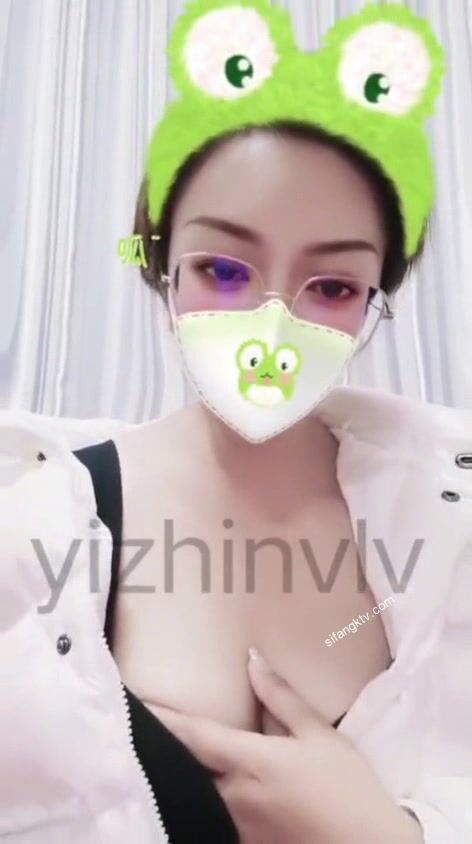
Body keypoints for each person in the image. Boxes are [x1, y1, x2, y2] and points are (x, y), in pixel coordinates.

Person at [1, 2, 471, 842]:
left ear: (376, 302)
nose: (272, 323)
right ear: (160, 264)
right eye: (223, 269)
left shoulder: (453, 530)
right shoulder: (31, 529)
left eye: (333, 286)